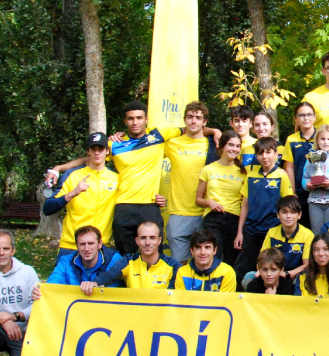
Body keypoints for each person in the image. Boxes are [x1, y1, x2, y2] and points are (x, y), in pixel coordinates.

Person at [45, 102, 222, 256]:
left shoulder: (159, 135)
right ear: (125, 121)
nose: (135, 122)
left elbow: (192, 129)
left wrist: (214, 130)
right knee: (125, 258)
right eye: (130, 118)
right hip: (123, 207)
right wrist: (59, 168)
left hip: (150, 206)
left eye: (139, 118)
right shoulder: (114, 143)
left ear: (146, 119)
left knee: (154, 257)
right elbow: (91, 158)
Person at [43, 132, 118, 257]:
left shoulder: (116, 178)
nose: (97, 153)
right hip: (71, 246)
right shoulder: (72, 175)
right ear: (88, 152)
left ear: (107, 151)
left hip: (100, 246)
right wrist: (72, 194)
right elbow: (48, 208)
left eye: (100, 149)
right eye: (93, 149)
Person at [161, 101, 217, 264]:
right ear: (184, 120)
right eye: (190, 117)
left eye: (198, 118)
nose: (194, 121)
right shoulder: (172, 144)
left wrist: (215, 132)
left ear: (204, 122)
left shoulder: (213, 144)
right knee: (180, 265)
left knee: (206, 264)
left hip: (206, 212)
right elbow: (148, 148)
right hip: (179, 212)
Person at [234, 137, 295, 278]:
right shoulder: (250, 175)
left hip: (272, 230)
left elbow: (288, 206)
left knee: (270, 268)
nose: (265, 156)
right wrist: (240, 232)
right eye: (261, 153)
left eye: (268, 152)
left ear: (276, 154)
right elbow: (245, 204)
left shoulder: (282, 176)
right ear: (256, 156)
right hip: (250, 230)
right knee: (242, 268)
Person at [196, 130, 246, 265]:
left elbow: (244, 204)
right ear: (222, 146)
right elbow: (198, 200)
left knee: (231, 259)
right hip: (213, 218)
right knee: (212, 256)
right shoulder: (208, 169)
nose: (234, 149)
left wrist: (240, 230)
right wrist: (209, 202)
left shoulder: (244, 172)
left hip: (234, 219)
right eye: (231, 145)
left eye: (237, 146)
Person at [48, 225, 126, 292]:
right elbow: (51, 286)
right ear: (77, 245)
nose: (86, 248)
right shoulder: (66, 261)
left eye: (91, 243)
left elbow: (116, 292)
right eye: (82, 244)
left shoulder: (115, 260)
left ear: (99, 244)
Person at [261, 195, 314, 279]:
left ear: (299, 215)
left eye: (293, 212)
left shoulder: (308, 235)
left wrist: (287, 274)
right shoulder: (271, 232)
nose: (288, 216)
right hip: (273, 275)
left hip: (296, 277)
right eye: (284, 212)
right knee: (249, 277)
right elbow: (261, 262)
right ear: (278, 215)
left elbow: (307, 265)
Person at [283, 101, 318, 227]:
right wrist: (292, 192)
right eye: (302, 115)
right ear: (295, 119)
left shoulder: (321, 137)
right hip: (299, 192)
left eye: (309, 114)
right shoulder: (291, 139)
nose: (306, 118)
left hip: (318, 190)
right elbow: (289, 167)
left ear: (314, 117)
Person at [172, 230, 238, 291]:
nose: (202, 252)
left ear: (214, 250)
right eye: (198, 247)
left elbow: (224, 302)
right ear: (192, 251)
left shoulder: (227, 272)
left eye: (207, 247)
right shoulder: (182, 272)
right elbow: (181, 302)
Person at [121, 221, 179, 289]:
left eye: (152, 238)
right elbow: (108, 277)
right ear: (137, 241)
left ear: (159, 240)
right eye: (143, 238)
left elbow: (172, 297)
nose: (147, 242)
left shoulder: (174, 266)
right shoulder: (128, 260)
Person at [296, 232, 329, 297]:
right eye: (316, 249)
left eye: (326, 249)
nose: (321, 253)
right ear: (312, 253)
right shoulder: (301, 278)